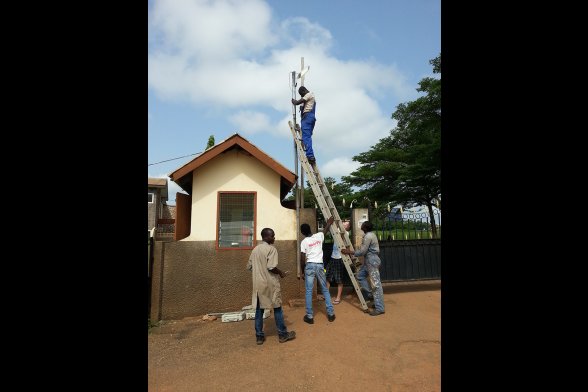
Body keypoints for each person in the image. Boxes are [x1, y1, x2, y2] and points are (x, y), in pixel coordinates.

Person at [247, 228, 296, 344]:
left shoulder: (255, 250)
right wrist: (281, 273)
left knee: (259, 310)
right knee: (277, 308)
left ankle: (259, 336)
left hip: (259, 285)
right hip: (270, 284)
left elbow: (249, 267)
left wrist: (259, 271)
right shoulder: (271, 249)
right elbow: (271, 267)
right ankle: (283, 334)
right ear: (266, 237)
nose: (274, 238)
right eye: (272, 236)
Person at [341, 221, 385, 316]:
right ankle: (370, 295)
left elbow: (362, 251)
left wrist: (348, 252)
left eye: (363, 224)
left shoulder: (368, 236)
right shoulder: (370, 235)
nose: (361, 225)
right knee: (360, 276)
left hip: (372, 261)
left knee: (376, 284)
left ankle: (380, 308)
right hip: (369, 260)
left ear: (365, 227)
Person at [299, 216, 335, 324]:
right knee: (325, 289)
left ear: (302, 232)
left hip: (309, 266)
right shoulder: (319, 236)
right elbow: (326, 229)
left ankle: (309, 316)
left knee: (309, 291)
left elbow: (302, 259)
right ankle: (331, 314)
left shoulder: (304, 242)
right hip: (319, 266)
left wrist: (302, 271)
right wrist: (329, 222)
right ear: (310, 229)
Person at [291, 86, 317, 165]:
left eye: (302, 94)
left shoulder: (309, 94)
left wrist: (294, 102)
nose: (302, 96)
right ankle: (310, 154)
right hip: (310, 117)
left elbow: (298, 102)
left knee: (306, 137)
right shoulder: (310, 99)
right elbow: (302, 104)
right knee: (307, 136)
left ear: (303, 91)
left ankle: (310, 156)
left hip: (307, 117)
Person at [325, 229, 348, 305]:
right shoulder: (335, 234)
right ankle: (326, 295)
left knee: (339, 279)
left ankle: (338, 297)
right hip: (332, 258)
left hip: (340, 259)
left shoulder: (345, 234)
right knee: (327, 277)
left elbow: (344, 241)